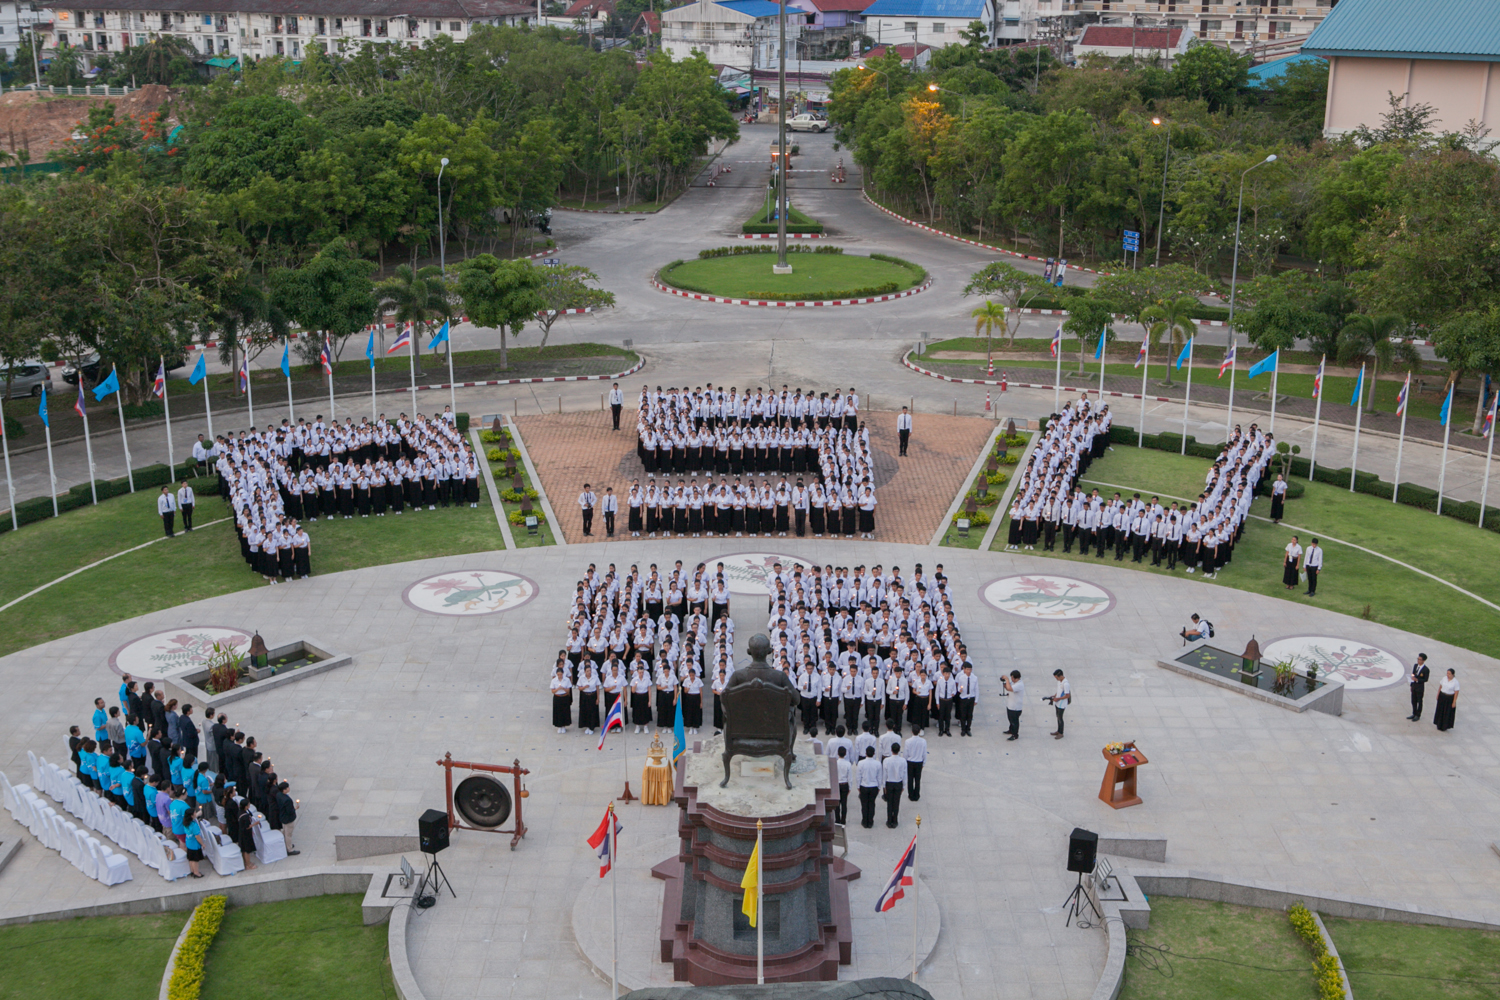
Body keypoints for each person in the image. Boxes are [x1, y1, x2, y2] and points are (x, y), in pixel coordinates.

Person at [881, 742, 907, 828]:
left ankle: (889, 821)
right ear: (899, 750)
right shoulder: (903, 761)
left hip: (889, 783)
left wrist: (884, 786)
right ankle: (895, 820)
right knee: (896, 802)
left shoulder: (886, 760)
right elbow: (904, 774)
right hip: (898, 783)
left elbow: (884, 774)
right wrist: (903, 785)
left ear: (891, 750)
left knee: (889, 803)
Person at [856, 747, 882, 829]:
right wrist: (879, 787)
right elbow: (879, 777)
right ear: (874, 754)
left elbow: (858, 776)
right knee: (871, 804)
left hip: (864, 785)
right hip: (874, 786)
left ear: (865, 753)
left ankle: (864, 821)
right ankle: (870, 821)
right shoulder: (878, 764)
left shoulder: (861, 763)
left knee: (864, 805)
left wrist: (858, 786)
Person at [275, 781, 300, 855]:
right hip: (288, 819)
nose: (289, 788)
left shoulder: (278, 795)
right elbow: (290, 811)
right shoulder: (287, 800)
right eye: (287, 788)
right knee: (288, 834)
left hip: (282, 816)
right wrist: (295, 808)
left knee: (285, 832)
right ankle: (289, 849)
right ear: (284, 790)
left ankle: (286, 844)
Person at [1046, 668, 1070, 739]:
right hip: (1057, 703)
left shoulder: (1066, 684)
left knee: (1060, 718)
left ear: (1060, 676)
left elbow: (1067, 695)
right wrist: (1055, 695)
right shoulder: (1059, 681)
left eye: (1056, 677)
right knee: (1058, 717)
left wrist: (1058, 698)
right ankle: (1058, 731)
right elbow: (1059, 691)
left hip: (1062, 704)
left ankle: (1061, 733)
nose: (1056, 679)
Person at [903, 728, 926, 802]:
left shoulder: (908, 741)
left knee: (910, 779)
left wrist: (905, 761)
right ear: (919, 732)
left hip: (910, 762)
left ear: (911, 731)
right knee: (917, 779)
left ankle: (911, 795)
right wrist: (924, 763)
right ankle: (916, 795)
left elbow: (905, 753)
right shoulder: (923, 741)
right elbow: (924, 753)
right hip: (919, 762)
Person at [1408, 653, 1430, 722]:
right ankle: (1414, 713)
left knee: (1419, 701)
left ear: (1423, 661)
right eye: (1418, 659)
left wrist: (1417, 680)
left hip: (1420, 687)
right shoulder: (1415, 666)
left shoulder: (1426, 669)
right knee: (1413, 701)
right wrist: (1412, 682)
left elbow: (1425, 679)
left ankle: (1418, 715)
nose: (1418, 661)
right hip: (1414, 686)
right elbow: (1413, 673)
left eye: (1420, 660)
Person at [551, 666, 573, 734]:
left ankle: (564, 726)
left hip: (564, 697)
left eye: (560, 674)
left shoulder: (567, 680)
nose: (559, 676)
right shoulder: (554, 680)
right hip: (557, 697)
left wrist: (563, 688)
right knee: (558, 711)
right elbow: (552, 691)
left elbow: (568, 691)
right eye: (558, 674)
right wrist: (558, 689)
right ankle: (559, 726)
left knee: (564, 711)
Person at [1003, 670, 1024, 740]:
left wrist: (1007, 679)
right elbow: (1008, 687)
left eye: (1012, 678)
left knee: (1014, 721)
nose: (1011, 679)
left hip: (1015, 707)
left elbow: (1009, 688)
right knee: (1010, 720)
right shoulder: (1014, 683)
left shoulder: (1019, 685)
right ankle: (1011, 730)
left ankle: (1015, 735)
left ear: (1016, 678)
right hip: (1010, 705)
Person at [834, 745, 851, 826]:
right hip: (845, 784)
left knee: (837, 804)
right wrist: (850, 787)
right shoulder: (848, 764)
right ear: (845, 754)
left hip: (837, 784)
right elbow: (849, 777)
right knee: (844, 804)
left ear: (838, 753)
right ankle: (843, 820)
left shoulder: (835, 763)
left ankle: (837, 820)